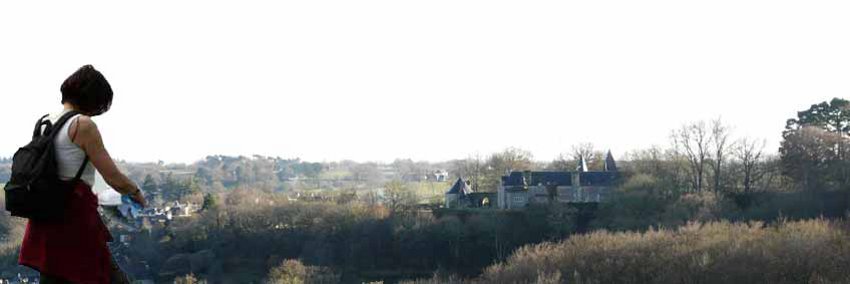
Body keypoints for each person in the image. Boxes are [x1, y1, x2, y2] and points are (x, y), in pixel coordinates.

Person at [18, 65, 147, 284]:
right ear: (94, 98)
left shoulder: (44, 121)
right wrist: (135, 192)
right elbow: (112, 176)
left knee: (54, 274)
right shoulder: (82, 125)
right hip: (74, 216)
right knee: (106, 276)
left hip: (45, 214)